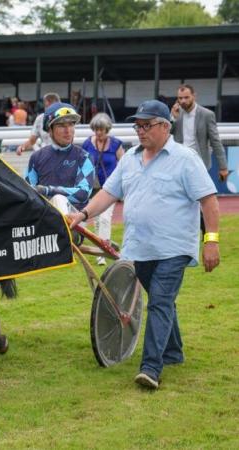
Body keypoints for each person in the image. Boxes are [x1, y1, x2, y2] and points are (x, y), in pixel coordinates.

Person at [68, 99, 220, 390]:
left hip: (174, 248)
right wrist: (84, 214)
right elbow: (109, 193)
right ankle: (173, 351)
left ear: (165, 126)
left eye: (146, 125)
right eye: (137, 125)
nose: (140, 131)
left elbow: (209, 201)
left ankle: (151, 367)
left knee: (160, 301)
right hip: (139, 248)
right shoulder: (130, 159)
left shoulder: (185, 159)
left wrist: (211, 240)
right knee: (162, 301)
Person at [0, 102, 94, 317]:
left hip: (73, 224)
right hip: (42, 225)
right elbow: (25, 192)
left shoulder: (83, 157)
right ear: (50, 129)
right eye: (62, 125)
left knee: (58, 197)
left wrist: (47, 189)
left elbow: (84, 193)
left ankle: (64, 233)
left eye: (71, 125)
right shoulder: (37, 158)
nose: (68, 130)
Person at [171, 84, 228, 232]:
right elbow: (167, 135)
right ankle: (189, 228)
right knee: (182, 199)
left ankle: (206, 229)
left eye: (186, 97)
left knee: (202, 198)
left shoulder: (207, 114)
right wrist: (172, 118)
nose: (183, 101)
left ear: (194, 96)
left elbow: (215, 141)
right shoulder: (177, 115)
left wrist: (223, 167)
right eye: (180, 98)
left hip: (200, 164)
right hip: (179, 163)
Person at [81, 112, 124, 265]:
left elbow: (124, 165)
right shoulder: (87, 144)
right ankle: (101, 244)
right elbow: (82, 163)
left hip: (109, 189)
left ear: (108, 129)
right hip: (91, 188)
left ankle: (103, 254)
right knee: (93, 220)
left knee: (104, 219)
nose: (99, 133)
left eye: (102, 130)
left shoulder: (116, 144)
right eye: (96, 130)